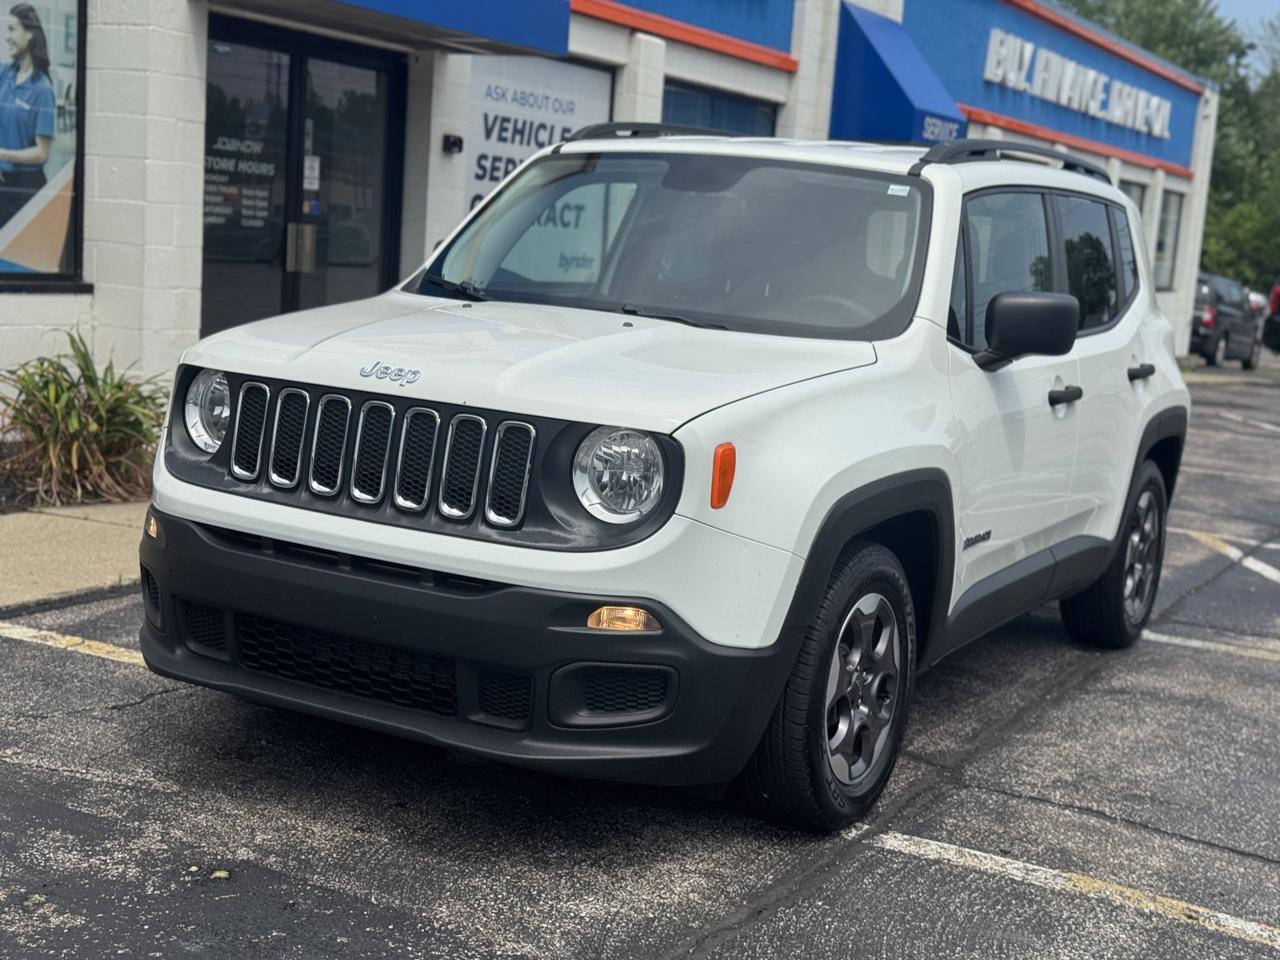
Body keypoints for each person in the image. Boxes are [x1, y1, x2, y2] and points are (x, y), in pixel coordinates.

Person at [0, 4, 55, 230]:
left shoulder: (42, 89)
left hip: (27, 190)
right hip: (3, 184)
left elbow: (42, 153)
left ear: (29, 34)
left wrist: (2, 154)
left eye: (12, 29)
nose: (7, 37)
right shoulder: (5, 74)